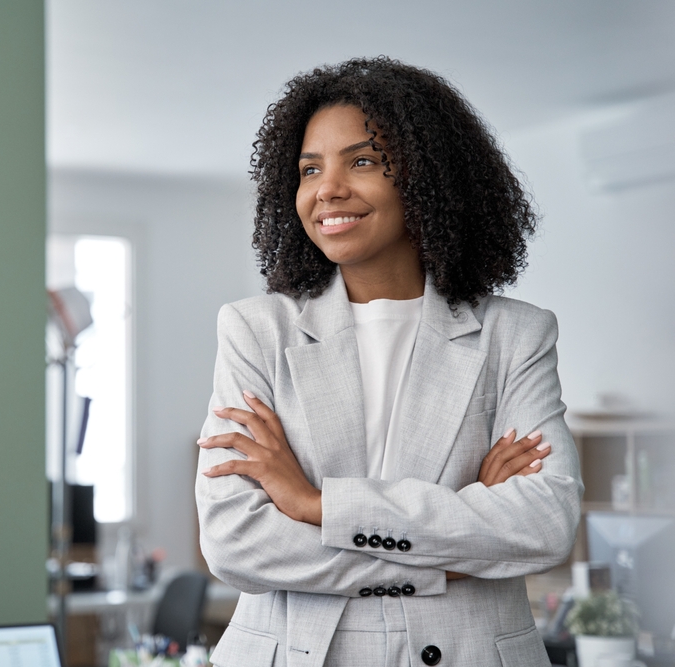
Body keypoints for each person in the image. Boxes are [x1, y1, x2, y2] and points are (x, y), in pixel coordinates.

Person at [195, 57, 583, 667]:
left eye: (363, 161)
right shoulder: (254, 330)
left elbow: (545, 523)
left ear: (429, 178)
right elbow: (235, 543)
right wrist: (452, 547)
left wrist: (315, 506)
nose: (328, 189)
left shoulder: (518, 334)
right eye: (310, 169)